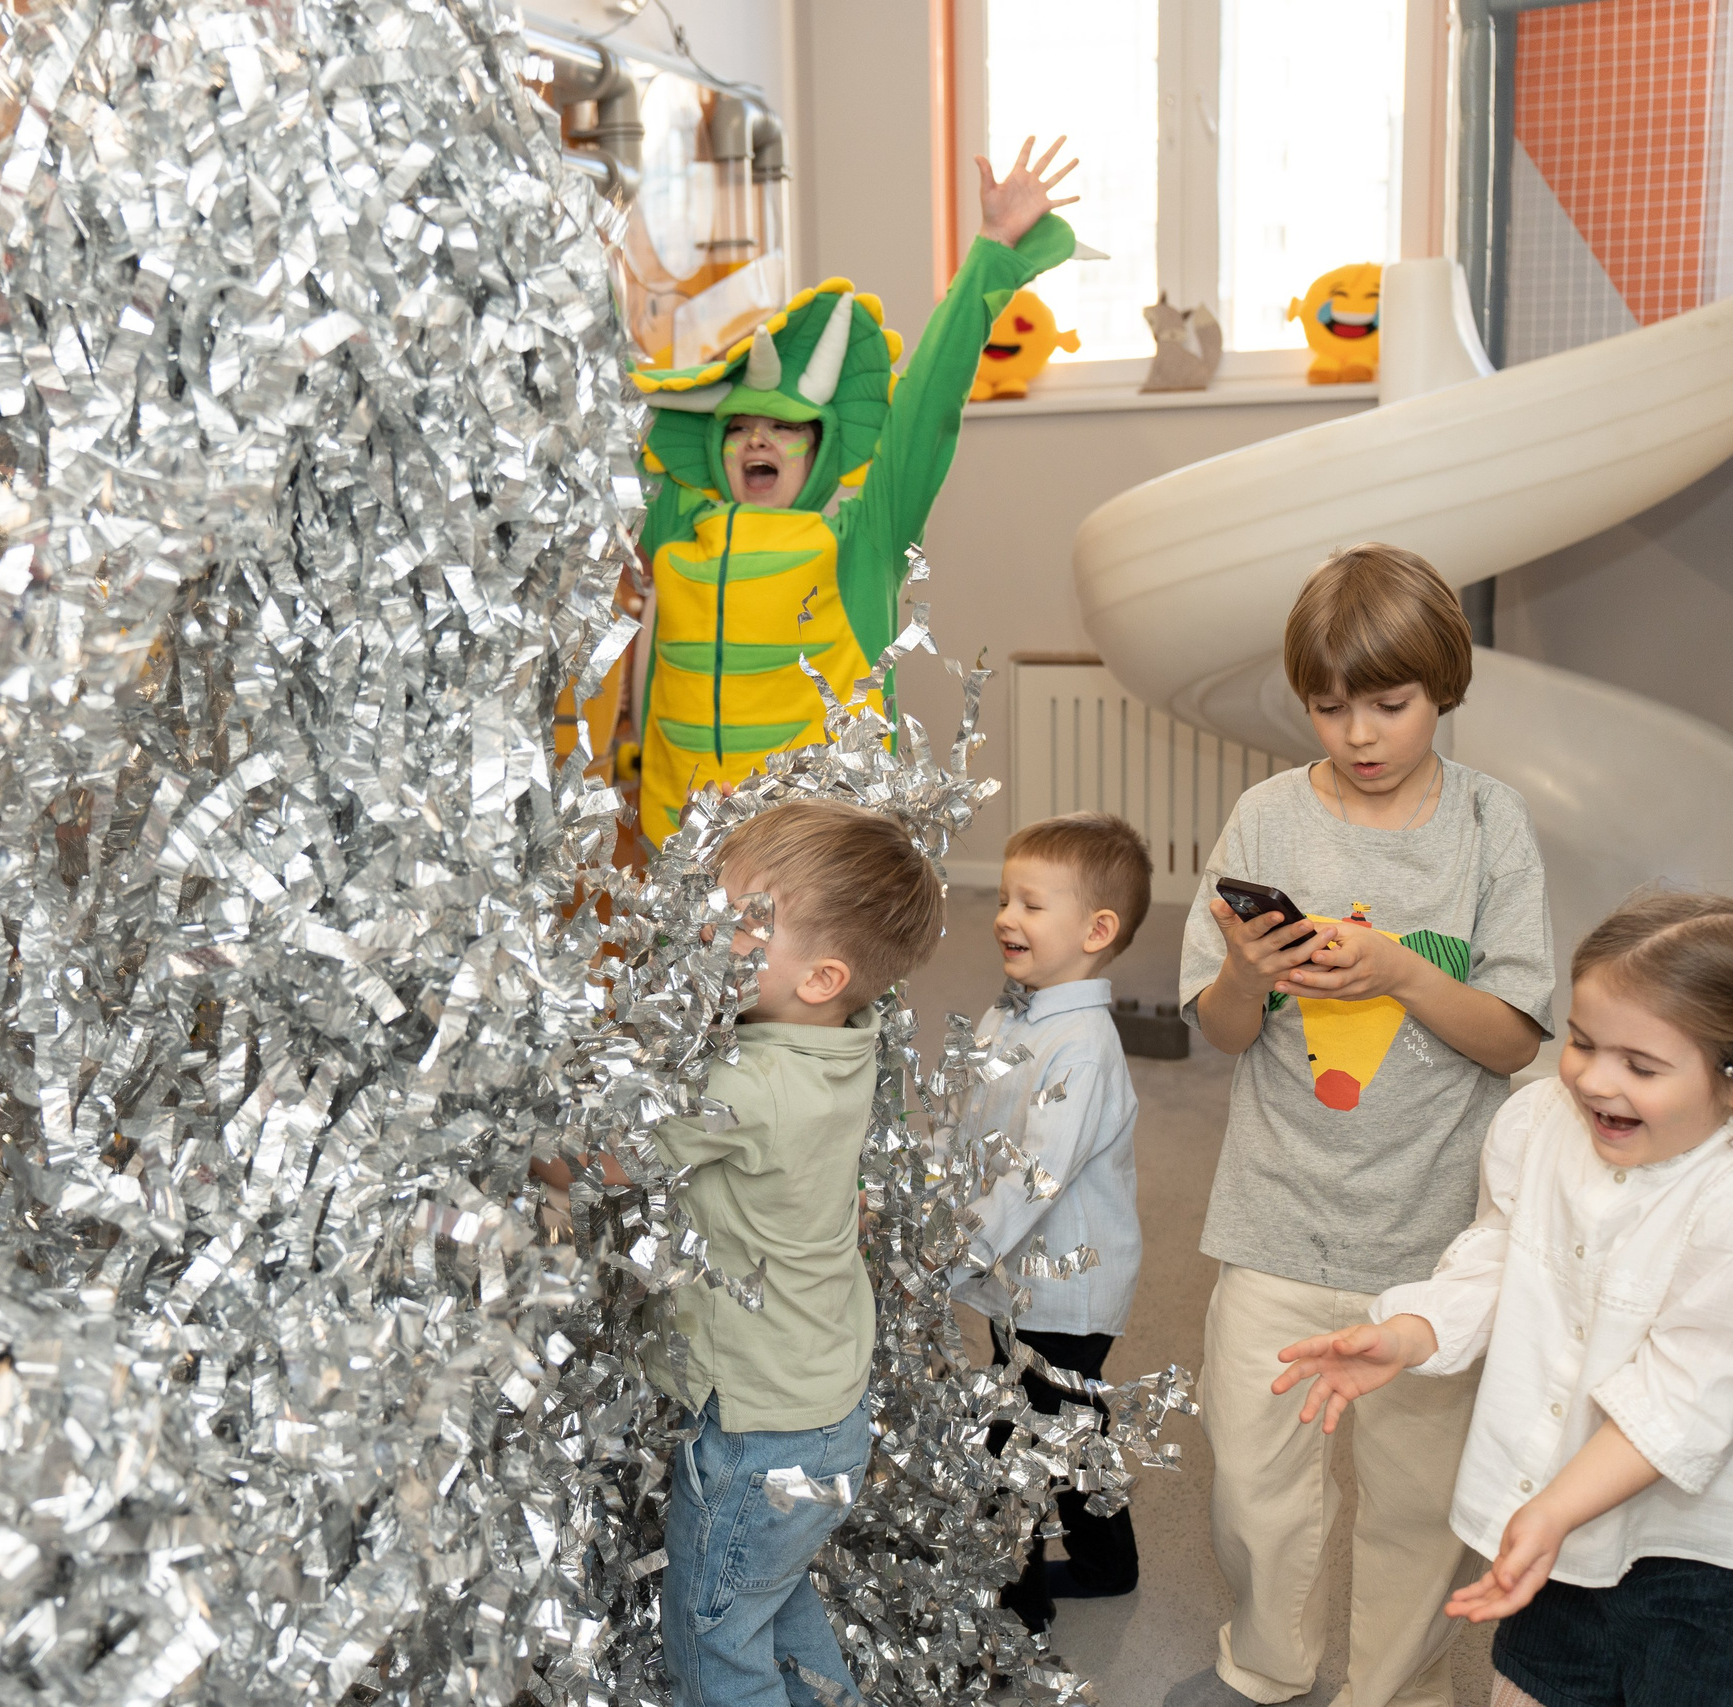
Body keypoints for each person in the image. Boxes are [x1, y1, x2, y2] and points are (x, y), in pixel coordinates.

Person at [1271, 892, 1733, 1707]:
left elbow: (1684, 1399)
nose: (1593, 1077)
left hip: (1718, 1571)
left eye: (1641, 1065)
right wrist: (1412, 1332)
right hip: (1557, 1532)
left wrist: (1554, 1509)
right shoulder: (1538, 1122)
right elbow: (1498, 1255)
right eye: (1582, 1042)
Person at [1178, 543, 1554, 1707]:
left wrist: (1397, 970)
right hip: (1276, 1217)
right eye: (1329, 707)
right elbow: (1224, 1033)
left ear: (1444, 684)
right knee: (1253, 1480)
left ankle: (1386, 1693)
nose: (1358, 735)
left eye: (1389, 704)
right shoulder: (1264, 818)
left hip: (1435, 1239)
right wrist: (1248, 971)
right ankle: (1269, 1666)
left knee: (1415, 1503)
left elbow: (1514, 1041)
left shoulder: (1492, 825)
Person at [537, 798, 940, 1707]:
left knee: (713, 1642)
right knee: (775, 1606)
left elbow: (597, 1156)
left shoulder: (747, 1087)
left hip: (759, 1435)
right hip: (827, 1404)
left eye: (738, 927)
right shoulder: (844, 1038)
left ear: (821, 974)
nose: (704, 937)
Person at [624, 139, 1082, 845]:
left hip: (812, 854)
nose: (756, 441)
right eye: (738, 427)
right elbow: (605, 421)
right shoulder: (679, 528)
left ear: (824, 447)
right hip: (680, 847)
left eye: (783, 427)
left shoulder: (859, 540)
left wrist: (991, 249)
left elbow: (927, 405)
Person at [949, 813, 1151, 1628]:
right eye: (1004, 898)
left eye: (1031, 904)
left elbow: (1039, 1175)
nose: (1005, 916)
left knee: (1016, 1441)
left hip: (1070, 1282)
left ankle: (1011, 1609)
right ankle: (1108, 1561)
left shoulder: (1083, 1044)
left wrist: (955, 1247)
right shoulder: (1015, 1013)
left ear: (1096, 929)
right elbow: (975, 1117)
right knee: (1069, 1420)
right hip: (1018, 1278)